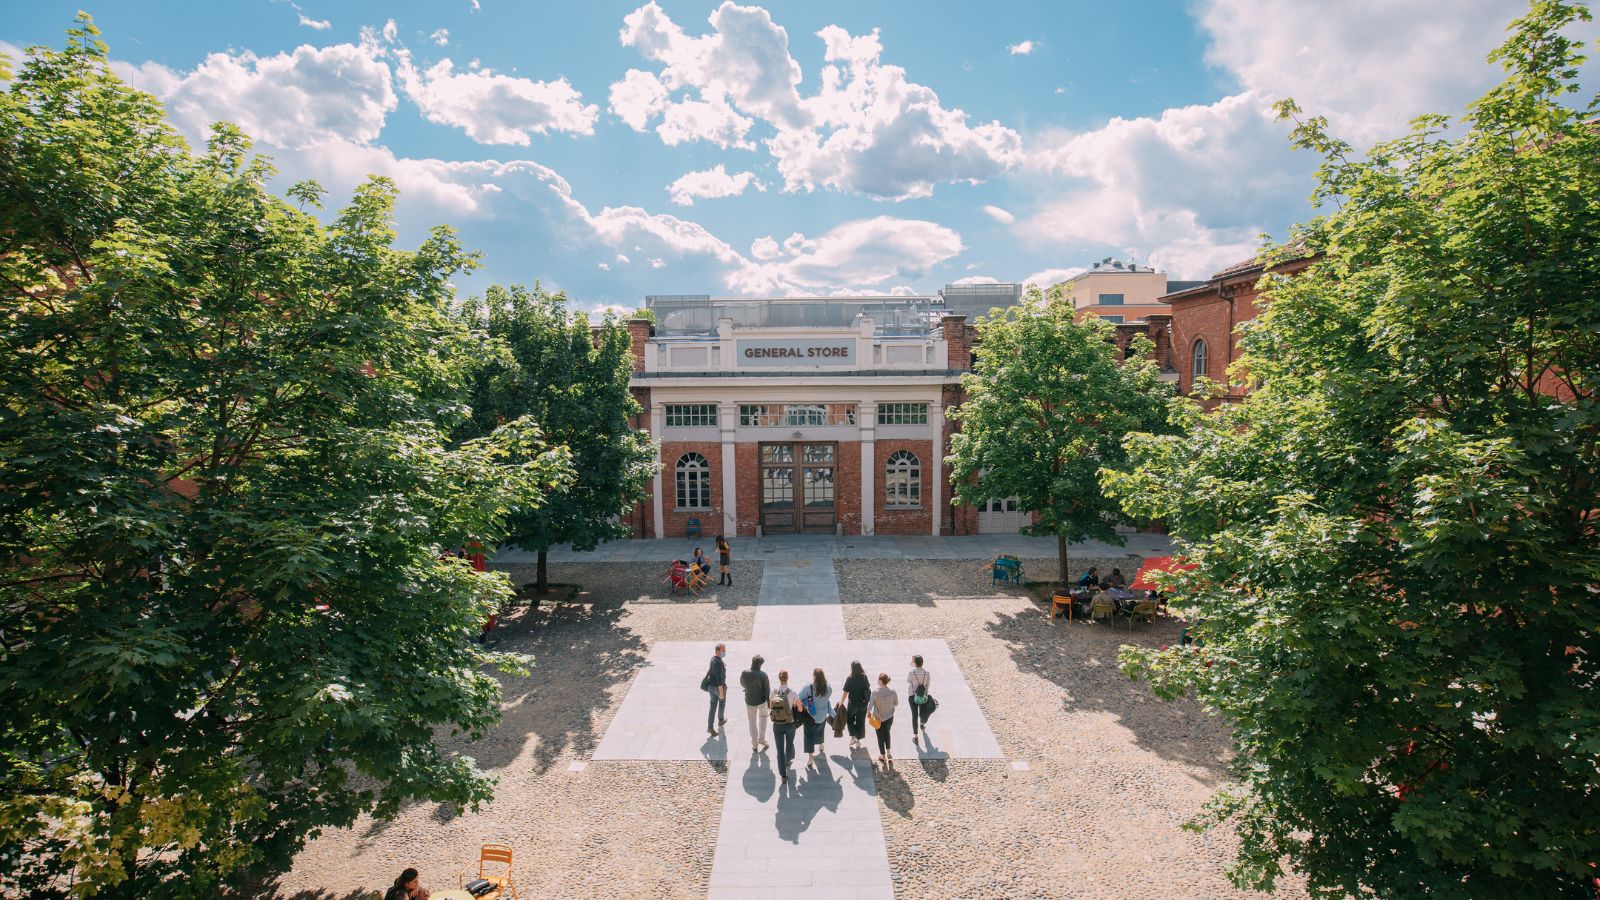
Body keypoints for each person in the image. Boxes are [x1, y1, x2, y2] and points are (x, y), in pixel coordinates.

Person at [769, 670, 801, 783]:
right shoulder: (792, 692)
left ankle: (783, 775)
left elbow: (770, 706)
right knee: (789, 743)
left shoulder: (773, 692)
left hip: (777, 725)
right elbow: (800, 709)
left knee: (779, 749)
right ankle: (788, 760)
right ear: (787, 678)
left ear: (779, 679)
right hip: (789, 724)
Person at [796, 667, 832, 766]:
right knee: (820, 730)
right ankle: (821, 745)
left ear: (814, 677)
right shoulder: (828, 688)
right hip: (823, 715)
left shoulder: (808, 687)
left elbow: (799, 698)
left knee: (808, 736)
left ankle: (810, 758)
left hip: (810, 716)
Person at [739, 654, 771, 751]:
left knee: (752, 722)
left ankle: (754, 744)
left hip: (750, 701)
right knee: (763, 719)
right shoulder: (763, 675)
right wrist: (769, 703)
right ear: (761, 664)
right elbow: (767, 690)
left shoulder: (744, 673)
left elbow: (742, 684)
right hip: (761, 701)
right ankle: (762, 739)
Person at [868, 672, 899, 765]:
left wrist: (868, 712)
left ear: (881, 681)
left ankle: (883, 755)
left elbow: (870, 705)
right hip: (889, 716)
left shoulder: (875, 692)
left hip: (878, 718)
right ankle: (889, 751)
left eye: (878, 679)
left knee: (880, 736)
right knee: (887, 732)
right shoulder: (893, 691)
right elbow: (896, 704)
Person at [842, 661, 871, 750]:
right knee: (861, 722)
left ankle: (853, 736)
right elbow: (868, 688)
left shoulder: (850, 678)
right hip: (862, 704)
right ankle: (858, 741)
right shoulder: (864, 677)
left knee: (849, 719)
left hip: (852, 704)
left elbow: (846, 691)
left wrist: (841, 701)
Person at [907, 654, 931, 742]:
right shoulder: (927, 673)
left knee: (914, 715)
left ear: (915, 663)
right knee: (922, 711)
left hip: (913, 695)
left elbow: (908, 681)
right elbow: (928, 685)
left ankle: (915, 736)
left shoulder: (911, 673)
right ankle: (922, 723)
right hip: (923, 696)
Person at [705, 643, 727, 736]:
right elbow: (719, 679)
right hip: (718, 687)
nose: (724, 652)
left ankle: (710, 727)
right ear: (717, 651)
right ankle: (720, 720)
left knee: (713, 706)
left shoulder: (713, 658)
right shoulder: (719, 662)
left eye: (725, 651)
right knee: (721, 703)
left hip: (710, 686)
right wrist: (721, 692)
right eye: (723, 651)